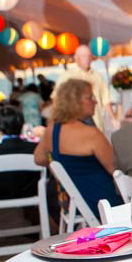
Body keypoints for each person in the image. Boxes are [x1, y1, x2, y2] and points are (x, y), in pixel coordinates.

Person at [34, 79, 122, 217]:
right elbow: (116, 170)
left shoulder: (53, 130)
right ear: (74, 102)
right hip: (101, 205)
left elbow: (39, 158)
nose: (95, 101)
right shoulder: (91, 134)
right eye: (90, 97)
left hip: (70, 204)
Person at [53, 45, 113, 133]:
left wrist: (113, 118)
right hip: (75, 123)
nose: (87, 59)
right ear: (76, 58)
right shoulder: (67, 76)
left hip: (97, 121)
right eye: (84, 56)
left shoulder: (97, 75)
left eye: (89, 56)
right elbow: (56, 98)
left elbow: (106, 98)